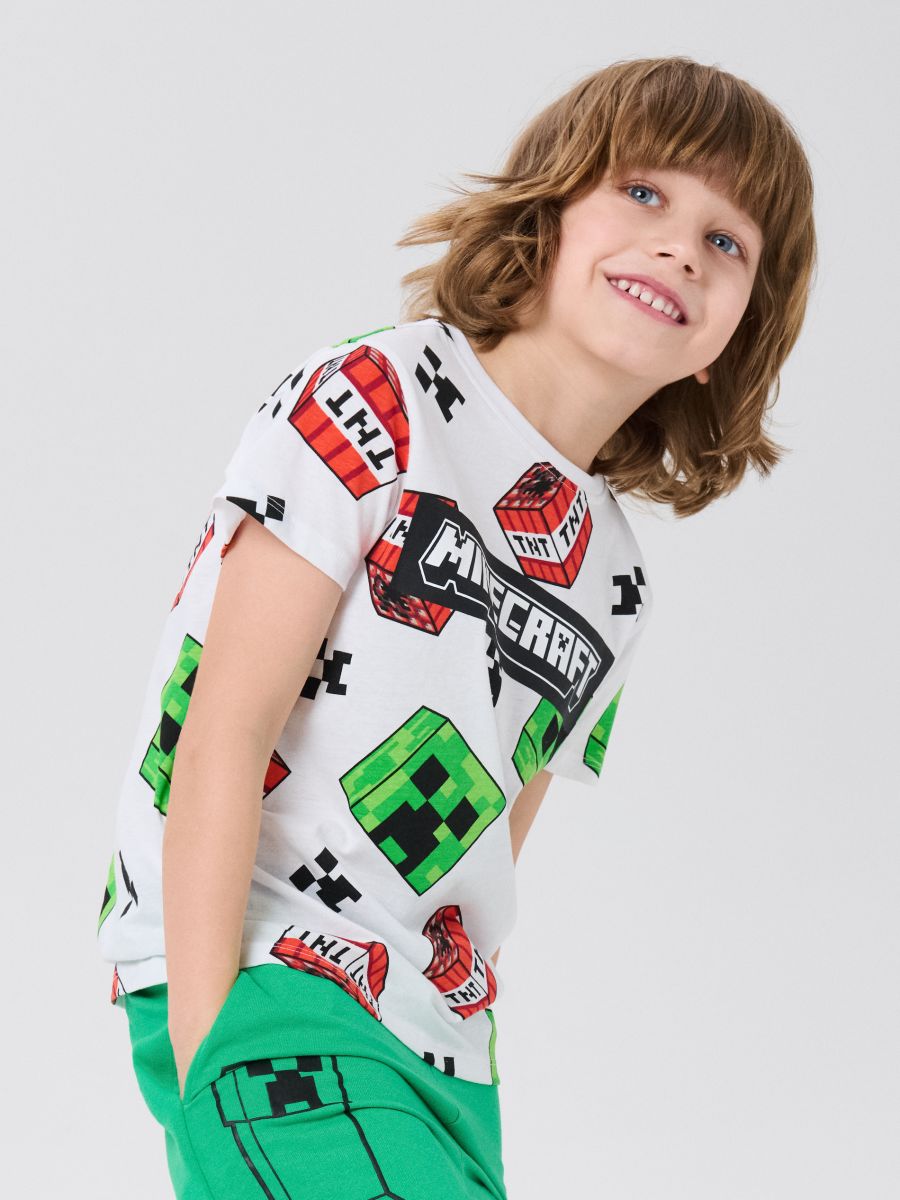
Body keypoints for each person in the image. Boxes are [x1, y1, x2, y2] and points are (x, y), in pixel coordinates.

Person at [97, 54, 816, 1199]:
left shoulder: (614, 577)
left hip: (443, 1051)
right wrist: (206, 1042)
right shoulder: (375, 396)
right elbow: (224, 728)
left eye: (727, 241)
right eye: (644, 192)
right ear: (549, 210)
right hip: (269, 974)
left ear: (730, 335)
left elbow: (492, 837)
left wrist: (452, 1029)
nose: (683, 246)